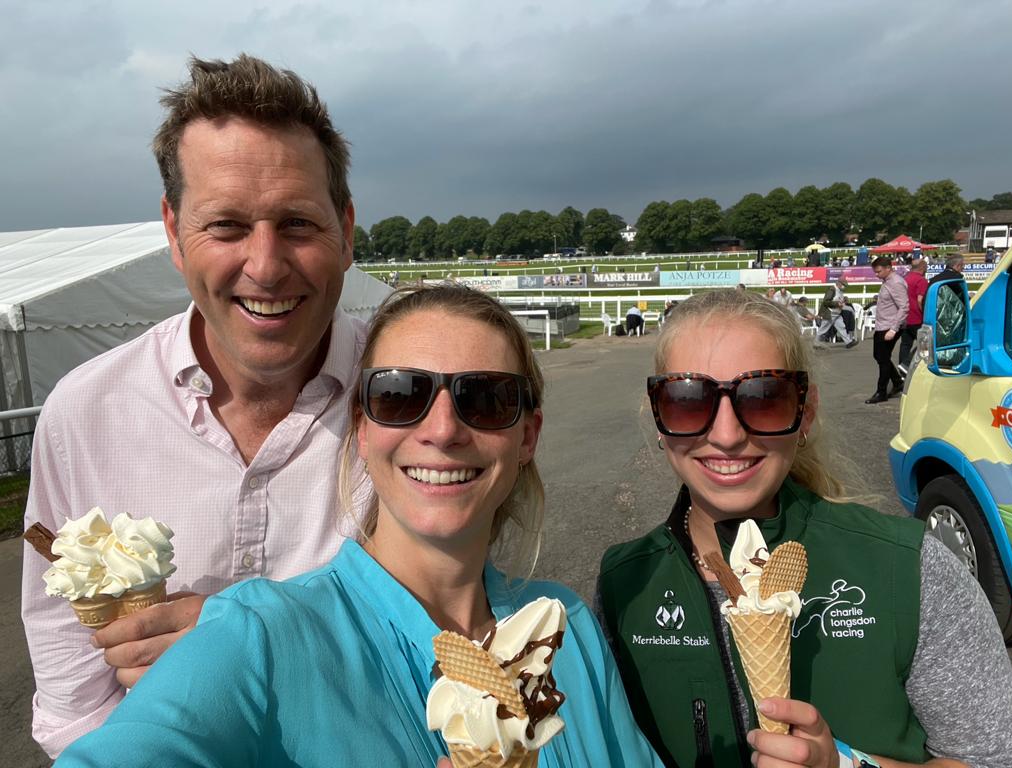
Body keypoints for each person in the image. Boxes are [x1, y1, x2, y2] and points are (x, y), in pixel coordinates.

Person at [57, 285, 663, 767]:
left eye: (486, 399)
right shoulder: (258, 636)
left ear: (527, 435)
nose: (444, 429)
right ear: (364, 428)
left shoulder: (567, 625)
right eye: (402, 395)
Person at [22, 54, 371, 757]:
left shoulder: (418, 404)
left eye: (298, 224)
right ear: (173, 230)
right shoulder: (85, 414)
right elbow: (71, 681)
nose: (266, 266)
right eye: (228, 226)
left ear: (347, 227)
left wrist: (256, 638)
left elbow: (466, 634)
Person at [598, 289, 1012, 768]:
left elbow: (996, 759)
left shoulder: (906, 566)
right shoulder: (623, 585)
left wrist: (845, 766)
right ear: (659, 416)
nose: (726, 435)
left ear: (806, 410)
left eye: (763, 398)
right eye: (686, 399)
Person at [865, 256, 908, 404]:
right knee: (879, 356)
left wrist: (894, 329)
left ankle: (881, 391)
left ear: (888, 268)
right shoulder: (887, 282)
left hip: (889, 326)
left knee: (882, 359)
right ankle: (896, 382)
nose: (876, 275)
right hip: (883, 325)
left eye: (878, 272)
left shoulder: (896, 283)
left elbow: (904, 306)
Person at [899, 258, 929, 375]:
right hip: (917, 317)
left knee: (905, 345)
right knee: (925, 343)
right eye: (926, 267)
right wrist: (925, 314)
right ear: (922, 267)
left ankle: (902, 369)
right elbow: (920, 300)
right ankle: (908, 365)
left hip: (905, 317)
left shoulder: (905, 279)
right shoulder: (921, 280)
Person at [815, 276, 857, 349]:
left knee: (842, 327)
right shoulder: (832, 290)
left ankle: (849, 342)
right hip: (830, 313)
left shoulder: (840, 291)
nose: (844, 287)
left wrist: (844, 300)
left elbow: (838, 300)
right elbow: (826, 302)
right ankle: (816, 343)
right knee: (823, 329)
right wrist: (837, 304)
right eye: (843, 285)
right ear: (838, 283)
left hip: (837, 313)